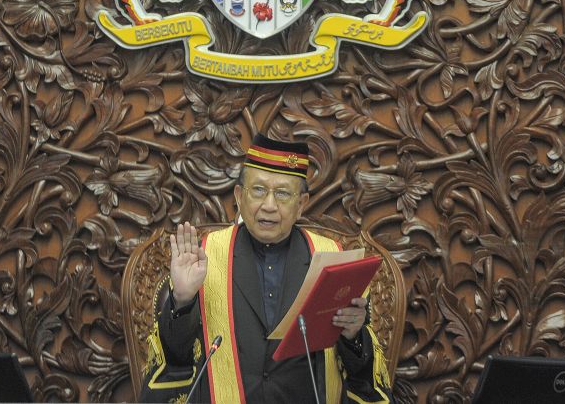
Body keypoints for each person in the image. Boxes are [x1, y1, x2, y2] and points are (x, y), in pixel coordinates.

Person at [139, 134, 392, 403]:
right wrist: (182, 300)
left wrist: (353, 334)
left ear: (301, 204)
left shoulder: (333, 259)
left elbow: (361, 373)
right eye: (258, 190)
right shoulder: (205, 255)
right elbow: (176, 359)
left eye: (282, 193)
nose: (268, 206)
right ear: (239, 196)